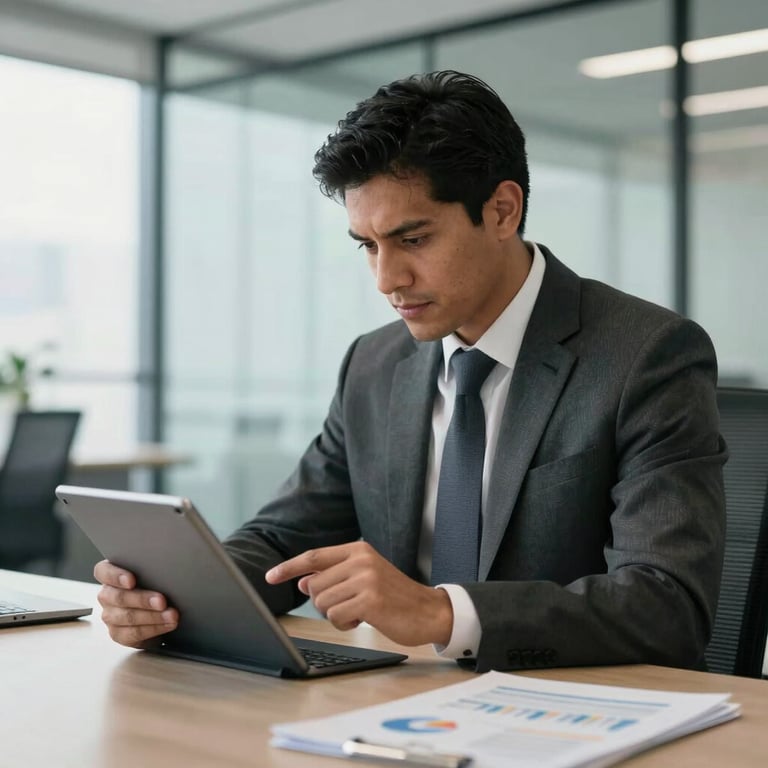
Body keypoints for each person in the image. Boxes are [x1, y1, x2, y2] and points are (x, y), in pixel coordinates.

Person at [95, 70, 726, 673]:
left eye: (413, 239)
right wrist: (175, 597)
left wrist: (439, 612)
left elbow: (666, 603)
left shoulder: (647, 354)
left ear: (503, 211)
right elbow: (286, 537)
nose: (386, 279)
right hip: (405, 704)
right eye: (367, 245)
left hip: (578, 709)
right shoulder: (374, 363)